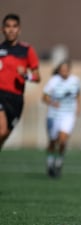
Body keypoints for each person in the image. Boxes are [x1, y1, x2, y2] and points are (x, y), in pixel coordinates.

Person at [0, 13, 41, 150]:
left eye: (14, 27)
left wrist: (26, 76)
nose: (11, 30)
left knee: (4, 134)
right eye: (8, 26)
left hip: (16, 99)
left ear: (19, 29)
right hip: (1, 94)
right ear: (3, 29)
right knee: (1, 130)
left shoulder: (26, 50)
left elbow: (37, 77)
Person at [42, 60, 81, 178]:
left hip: (68, 115)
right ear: (59, 70)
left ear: (69, 70)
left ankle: (59, 163)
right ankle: (50, 164)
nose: (64, 72)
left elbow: (79, 94)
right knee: (53, 141)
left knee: (63, 140)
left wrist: (79, 107)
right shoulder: (53, 81)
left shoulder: (75, 81)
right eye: (62, 70)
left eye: (66, 69)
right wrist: (53, 103)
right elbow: (44, 97)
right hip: (54, 116)